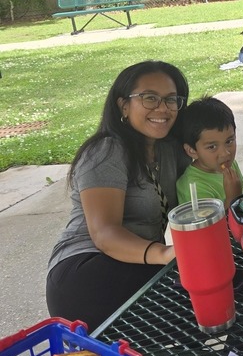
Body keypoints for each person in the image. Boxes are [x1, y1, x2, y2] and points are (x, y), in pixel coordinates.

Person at [46, 61, 189, 331]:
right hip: (86, 271)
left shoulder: (169, 151)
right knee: (206, 304)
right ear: (124, 105)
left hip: (139, 266)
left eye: (171, 99)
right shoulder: (106, 150)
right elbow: (104, 233)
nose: (162, 108)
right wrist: (164, 253)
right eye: (150, 98)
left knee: (231, 292)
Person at [176, 96, 243, 207]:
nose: (225, 153)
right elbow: (211, 224)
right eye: (212, 147)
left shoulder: (230, 164)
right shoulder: (193, 187)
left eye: (229, 141)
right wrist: (232, 198)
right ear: (192, 151)